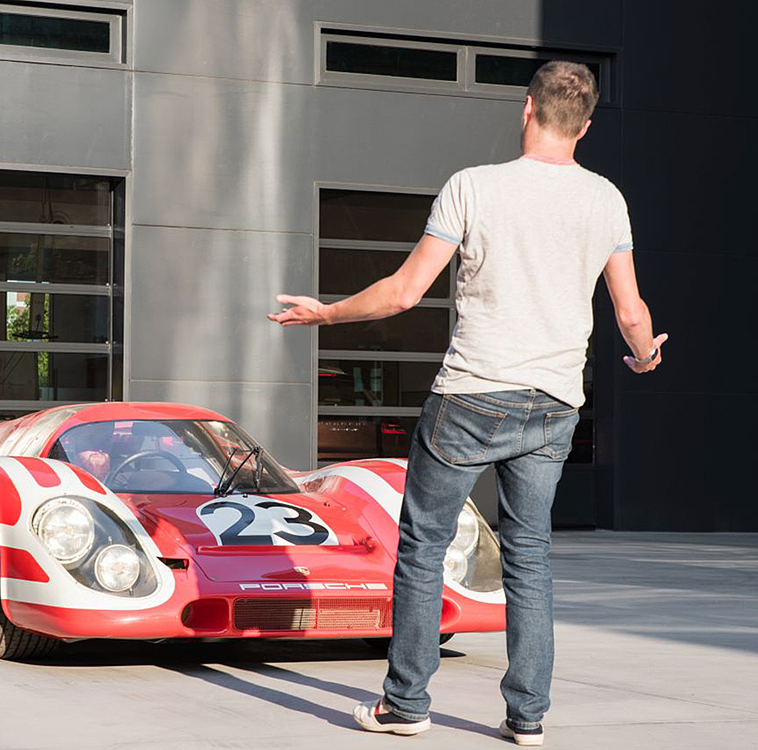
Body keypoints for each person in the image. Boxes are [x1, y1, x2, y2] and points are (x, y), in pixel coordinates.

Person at [269, 60, 666, 745]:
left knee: (423, 548)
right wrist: (645, 354)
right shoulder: (606, 199)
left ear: (526, 109)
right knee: (529, 556)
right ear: (586, 127)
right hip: (551, 405)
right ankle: (528, 717)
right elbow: (630, 311)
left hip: (473, 395)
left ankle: (406, 706)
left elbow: (401, 293)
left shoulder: (474, 188)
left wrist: (325, 316)